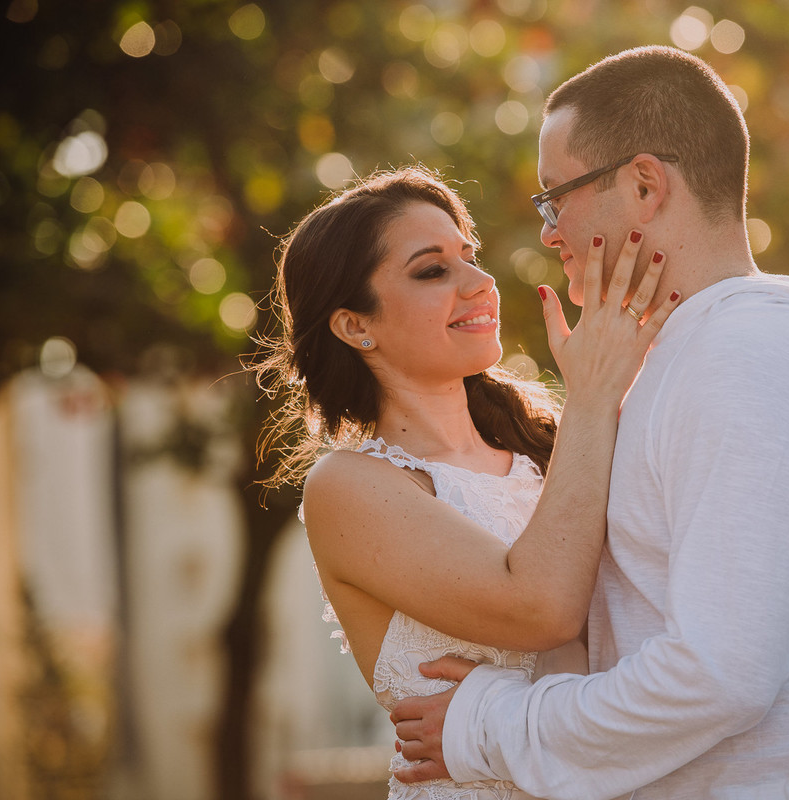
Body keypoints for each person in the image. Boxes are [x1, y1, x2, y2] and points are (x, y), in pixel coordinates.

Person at [391, 46, 789, 799]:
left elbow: (720, 674)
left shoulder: (741, 356)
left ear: (645, 184)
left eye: (556, 197)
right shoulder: (699, 355)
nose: (549, 233)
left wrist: (488, 723)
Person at [255, 164, 681, 799]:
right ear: (354, 325)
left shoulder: (556, 446)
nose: (481, 283)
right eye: (433, 270)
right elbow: (543, 607)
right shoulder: (347, 486)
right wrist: (593, 396)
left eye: (470, 256)